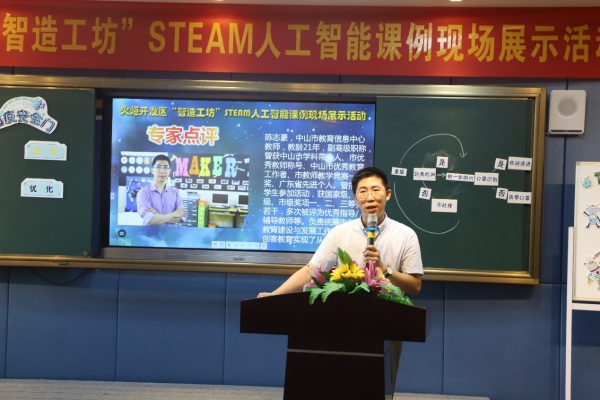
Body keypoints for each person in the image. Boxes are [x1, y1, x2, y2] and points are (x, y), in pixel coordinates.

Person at [258, 166, 423, 298]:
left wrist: (385, 269)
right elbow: (311, 270)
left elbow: (415, 286)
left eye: (375, 190)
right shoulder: (340, 233)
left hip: (389, 317)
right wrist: (274, 295)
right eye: (363, 191)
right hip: (347, 316)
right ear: (355, 198)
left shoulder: (406, 234)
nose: (370, 197)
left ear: (387, 194)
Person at [136, 154, 186, 226]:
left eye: (165, 167)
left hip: (170, 233)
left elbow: (181, 218)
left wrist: (157, 215)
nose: (162, 171)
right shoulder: (143, 193)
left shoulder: (175, 193)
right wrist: (174, 214)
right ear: (152, 170)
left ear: (169, 171)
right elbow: (149, 220)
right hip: (150, 233)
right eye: (158, 167)